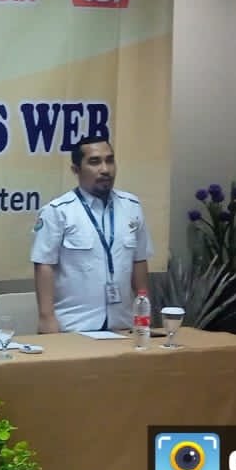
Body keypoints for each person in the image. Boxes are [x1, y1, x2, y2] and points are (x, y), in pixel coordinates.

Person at [31, 135, 153, 333]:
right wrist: (47, 318)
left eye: (110, 160)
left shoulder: (132, 206)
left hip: (123, 325)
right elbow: (44, 265)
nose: (105, 169)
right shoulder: (58, 211)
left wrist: (144, 312)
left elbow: (139, 261)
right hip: (74, 326)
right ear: (76, 170)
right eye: (95, 162)